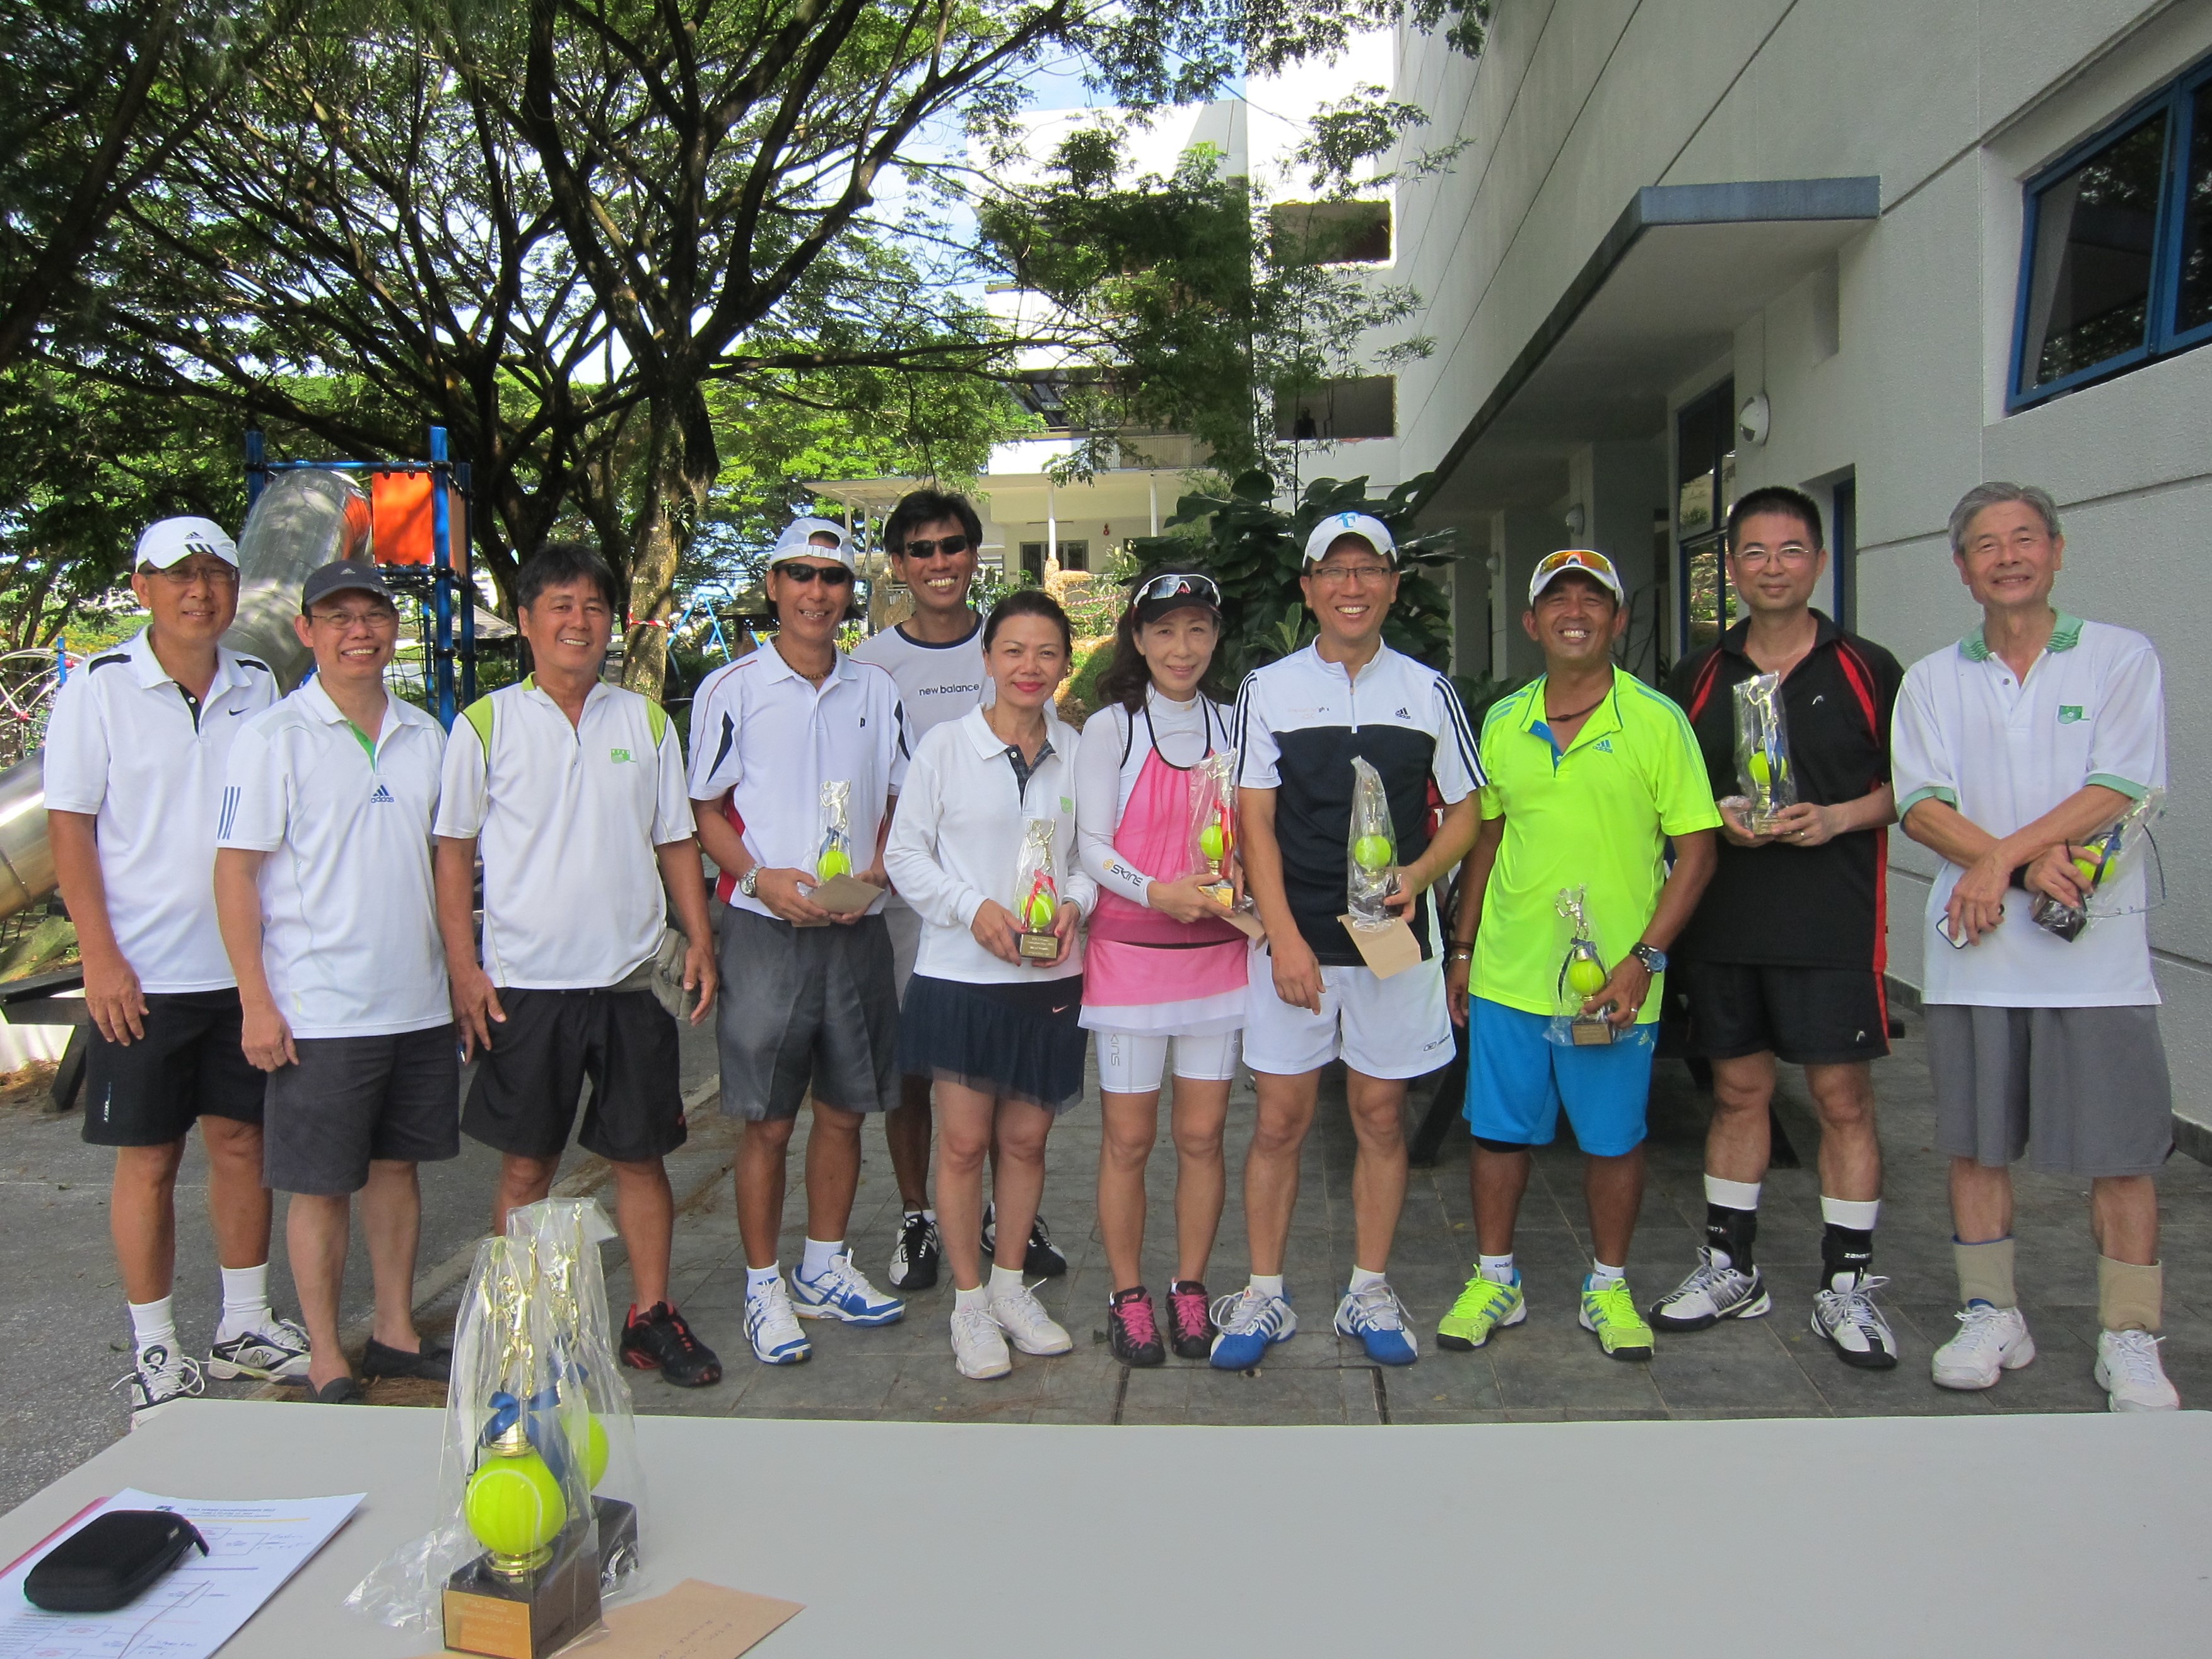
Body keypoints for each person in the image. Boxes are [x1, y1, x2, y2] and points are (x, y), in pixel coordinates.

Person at [1894, 483, 2179, 1411]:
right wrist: (2015, 867)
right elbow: (1919, 805)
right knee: (1975, 1149)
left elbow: (2118, 785)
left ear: (2057, 550)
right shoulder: (1932, 678)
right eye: (1986, 543)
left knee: (2121, 1154)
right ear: (1961, 566)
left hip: (2098, 959)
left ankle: (2129, 1333)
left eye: (2024, 538)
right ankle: (1991, 1312)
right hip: (1974, 952)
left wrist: (1996, 859)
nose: (2007, 556)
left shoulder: (2118, 657)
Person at [433, 541, 724, 1387]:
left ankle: (651, 1316)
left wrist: (700, 938)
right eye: (559, 604)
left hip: (632, 981)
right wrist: (463, 968)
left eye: (594, 606)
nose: (578, 620)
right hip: (526, 987)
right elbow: (452, 851)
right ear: (526, 620)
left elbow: (675, 840)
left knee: (642, 1155)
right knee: (528, 1163)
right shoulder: (485, 724)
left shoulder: (644, 722)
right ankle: (521, 1331)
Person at [44, 517, 309, 1418]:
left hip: (243, 971)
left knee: (241, 1142)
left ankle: (245, 1323)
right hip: (143, 974)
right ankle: (155, 1343)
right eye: (178, 574)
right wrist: (101, 958)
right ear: (142, 586)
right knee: (150, 1157)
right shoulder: (99, 688)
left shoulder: (258, 682)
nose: (199, 591)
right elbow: (70, 829)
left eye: (215, 573)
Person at [1439, 549, 1719, 1362]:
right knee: (1497, 1135)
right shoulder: (1503, 720)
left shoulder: (1656, 721)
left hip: (1613, 986)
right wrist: (1463, 949)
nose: (1574, 612)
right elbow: (1485, 841)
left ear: (1618, 619)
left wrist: (1645, 959)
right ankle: (1497, 1278)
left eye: (1591, 599)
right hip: (1509, 973)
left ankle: (1609, 1285)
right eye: (1556, 599)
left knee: (1612, 1138)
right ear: (1531, 623)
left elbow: (1698, 853)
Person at [1216, 512, 1482, 1371]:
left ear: (1393, 586)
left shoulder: (1429, 690)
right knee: (1280, 1120)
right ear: (1308, 589)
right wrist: (1285, 939)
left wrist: (1420, 871)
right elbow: (1253, 820)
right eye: (1333, 571)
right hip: (1294, 942)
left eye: (1368, 569)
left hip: (1390, 940)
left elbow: (1469, 810)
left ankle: (1368, 1285)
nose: (1351, 586)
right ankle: (1264, 1291)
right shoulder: (1269, 688)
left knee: (1378, 1115)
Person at [1655, 486, 1907, 1368]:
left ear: (1819, 562)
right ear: (1729, 567)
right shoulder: (1695, 674)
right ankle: (1731, 1266)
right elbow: (1666, 794)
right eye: (1754, 552)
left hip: (1832, 923)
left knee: (1841, 1100)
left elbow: (1914, 790)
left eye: (1790, 550)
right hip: (1723, 924)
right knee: (1736, 1093)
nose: (1772, 567)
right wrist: (1714, 816)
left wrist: (1837, 817)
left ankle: (1847, 1283)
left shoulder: (1867, 668)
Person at [212, 560, 459, 1402]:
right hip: (318, 1010)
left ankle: (394, 1331)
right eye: (339, 616)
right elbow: (235, 875)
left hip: (417, 1002)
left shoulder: (426, 734)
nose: (360, 632)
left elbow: (448, 864)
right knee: (320, 1186)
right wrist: (255, 1001)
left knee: (398, 1171)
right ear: (307, 631)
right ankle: (324, 1352)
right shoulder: (272, 737)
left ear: (393, 627)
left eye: (374, 615)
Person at [689, 519, 909, 1366]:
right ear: (773, 585)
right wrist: (757, 879)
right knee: (766, 1120)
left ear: (850, 592)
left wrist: (878, 870)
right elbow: (704, 810)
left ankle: (822, 1265)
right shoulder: (730, 688)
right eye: (800, 575)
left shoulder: (876, 688)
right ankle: (761, 1284)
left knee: (846, 1108)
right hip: (764, 929)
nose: (817, 592)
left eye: (832, 577)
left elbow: (899, 796)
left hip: (855, 927)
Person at [853, 488, 1070, 1289]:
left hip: (1017, 900)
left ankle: (1005, 1219)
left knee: (1008, 1090)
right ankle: (919, 1214)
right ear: (899, 563)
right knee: (920, 1069)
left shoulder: (1014, 643)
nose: (938, 562)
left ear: (974, 555)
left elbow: (1064, 810)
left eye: (952, 546)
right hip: (911, 900)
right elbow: (862, 773)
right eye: (921, 549)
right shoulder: (873, 662)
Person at [884, 590, 1095, 1380]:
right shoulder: (946, 746)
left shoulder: (1077, 751)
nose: (1029, 666)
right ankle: (969, 1305)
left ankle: (1011, 1288)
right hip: (961, 975)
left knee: (1027, 1141)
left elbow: (1089, 855)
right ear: (987, 658)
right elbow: (906, 855)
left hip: (1048, 976)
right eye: (1013, 650)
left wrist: (1076, 904)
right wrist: (970, 908)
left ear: (1064, 664)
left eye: (1046, 652)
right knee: (965, 1143)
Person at [1075, 572, 1246, 1365]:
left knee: (1203, 1134)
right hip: (1130, 960)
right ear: (1139, 640)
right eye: (1166, 630)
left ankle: (1190, 1287)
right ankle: (1128, 1294)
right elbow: (1092, 845)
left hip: (1216, 958)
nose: (1184, 648)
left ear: (1215, 639)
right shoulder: (1112, 728)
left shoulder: (1234, 724)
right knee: (1129, 1138)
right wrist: (1156, 891)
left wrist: (1234, 880)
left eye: (1198, 629)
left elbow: (1251, 831)